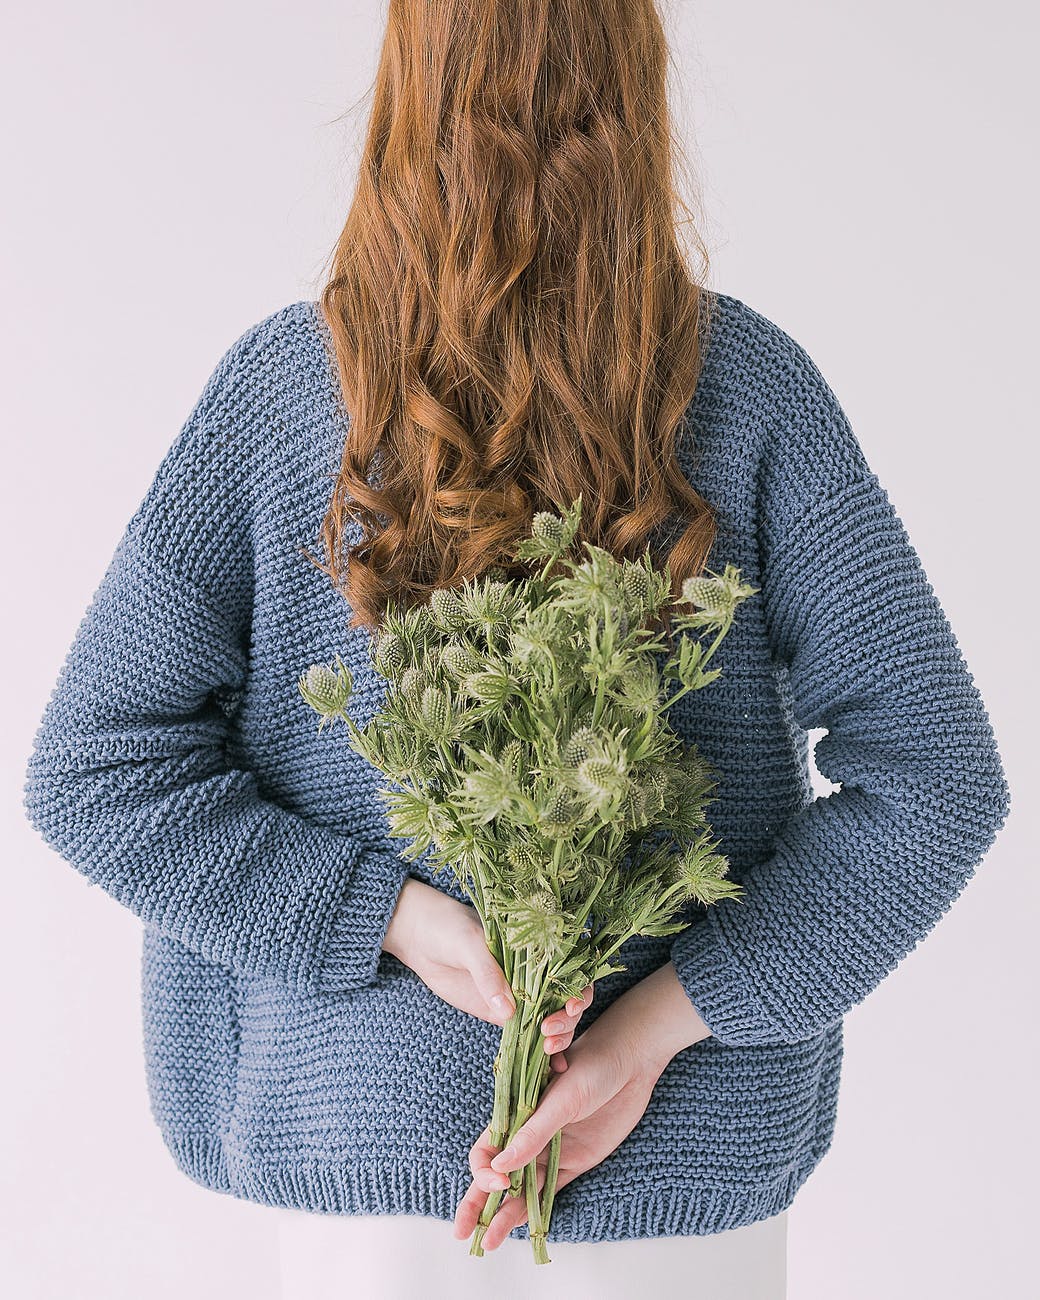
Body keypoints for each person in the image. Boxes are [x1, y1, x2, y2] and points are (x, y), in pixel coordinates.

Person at [22, 0, 1010, 1296]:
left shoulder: (285, 393)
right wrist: (654, 1031)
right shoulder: (752, 388)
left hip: (363, 1177)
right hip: (684, 1187)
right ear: (637, 99)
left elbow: (95, 769)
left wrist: (393, 923)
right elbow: (939, 776)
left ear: (405, 93)